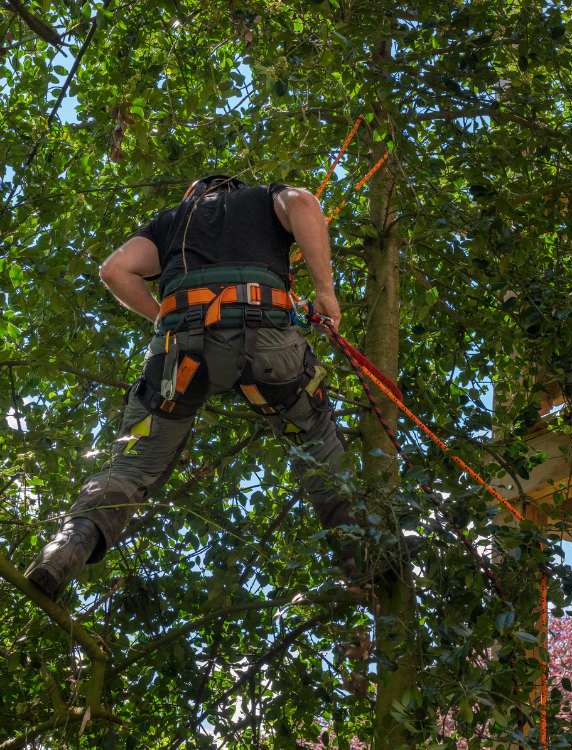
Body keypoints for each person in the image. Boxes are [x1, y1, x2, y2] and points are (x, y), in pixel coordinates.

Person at [24, 175, 363, 601]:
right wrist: (325, 294)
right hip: (268, 342)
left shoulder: (171, 221)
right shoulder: (263, 198)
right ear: (234, 189)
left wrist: (163, 318)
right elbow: (304, 204)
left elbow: (114, 271)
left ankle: (68, 545)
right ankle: (363, 555)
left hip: (179, 354)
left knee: (131, 465)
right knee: (314, 437)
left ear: (193, 194)